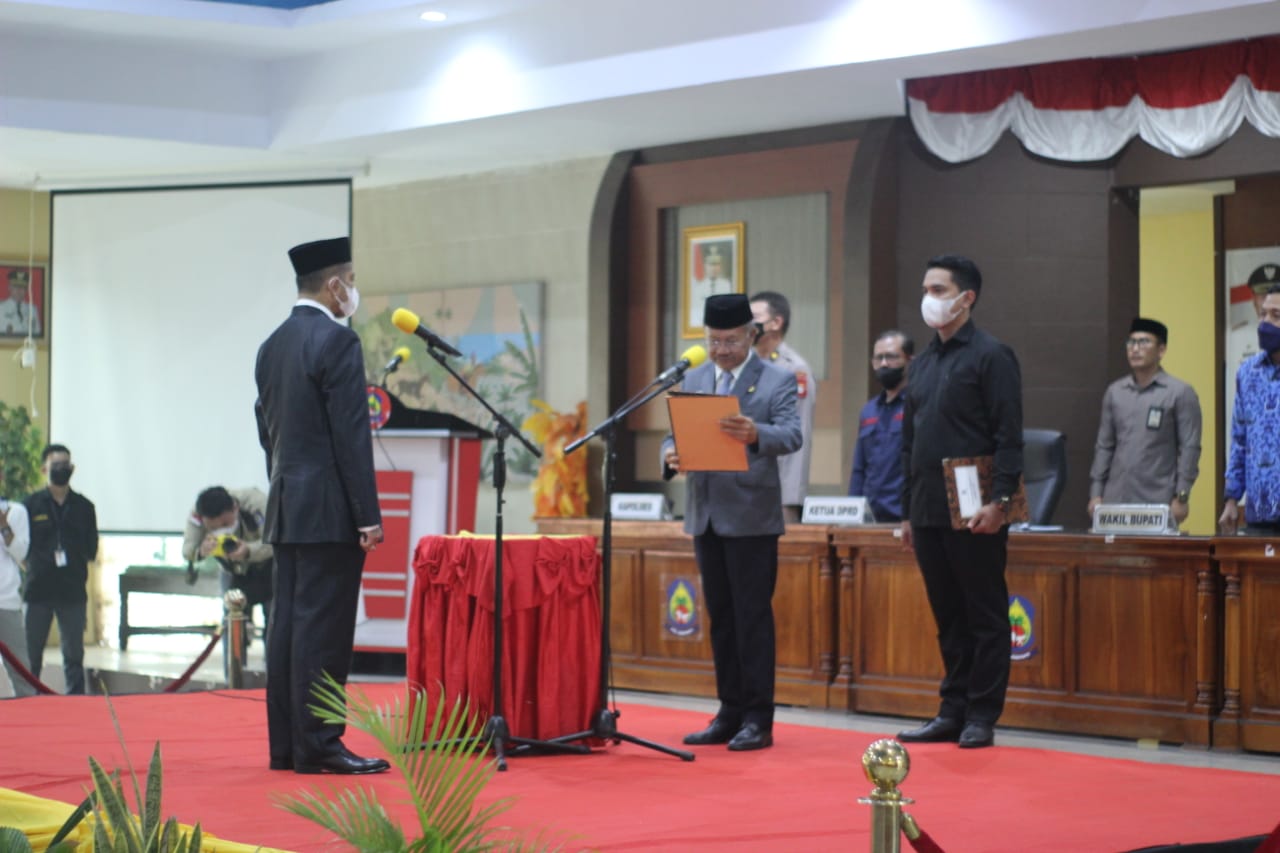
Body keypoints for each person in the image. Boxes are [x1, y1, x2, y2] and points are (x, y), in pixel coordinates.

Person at [254, 236, 388, 775]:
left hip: (287, 504)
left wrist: (287, 485)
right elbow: (351, 438)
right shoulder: (338, 342)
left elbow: (266, 432)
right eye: (350, 281)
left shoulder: (271, 345)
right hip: (331, 511)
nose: (352, 290)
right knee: (325, 634)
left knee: (287, 629)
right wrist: (367, 515)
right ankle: (322, 745)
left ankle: (287, 746)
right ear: (334, 286)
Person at [662, 293, 802, 752]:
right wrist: (670, 454)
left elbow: (792, 434)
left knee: (752, 618)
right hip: (705, 515)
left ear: (751, 335)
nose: (721, 350)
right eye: (714, 341)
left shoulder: (777, 379)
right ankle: (729, 711)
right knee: (721, 618)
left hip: (752, 518)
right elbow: (673, 433)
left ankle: (758, 718)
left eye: (731, 341)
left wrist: (756, 433)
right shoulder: (696, 377)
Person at [896, 255, 1022, 750]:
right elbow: (909, 444)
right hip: (928, 507)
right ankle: (951, 710)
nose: (928, 298)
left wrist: (1000, 501)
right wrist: (907, 512)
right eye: (925, 289)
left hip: (976, 507)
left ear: (966, 298)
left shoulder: (992, 355)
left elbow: (1009, 436)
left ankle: (982, 714)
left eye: (938, 289)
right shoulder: (923, 364)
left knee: (984, 615)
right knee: (948, 615)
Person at [1087, 318, 1202, 527]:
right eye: (1131, 342)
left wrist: (1182, 496)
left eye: (1144, 342)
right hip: (1115, 501)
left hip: (1158, 503)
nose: (1135, 349)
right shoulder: (1115, 392)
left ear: (1161, 350)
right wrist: (1096, 494)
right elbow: (1104, 446)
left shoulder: (1179, 393)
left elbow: (1190, 448)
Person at [23, 444, 99, 695]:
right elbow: (21, 548)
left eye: (66, 465)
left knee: (74, 655)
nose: (62, 469)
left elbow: (91, 548)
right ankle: (28, 702)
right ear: (44, 469)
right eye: (56, 465)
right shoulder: (30, 505)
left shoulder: (84, 507)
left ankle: (74, 704)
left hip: (72, 590)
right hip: (38, 590)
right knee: (31, 656)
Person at [181, 486, 274, 669]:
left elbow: (274, 542)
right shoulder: (198, 513)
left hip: (268, 567)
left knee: (275, 623)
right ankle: (232, 676)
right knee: (231, 626)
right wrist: (201, 551)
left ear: (235, 508)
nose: (222, 532)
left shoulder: (255, 503)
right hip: (232, 571)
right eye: (213, 528)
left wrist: (248, 550)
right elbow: (187, 551)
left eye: (225, 524)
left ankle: (275, 676)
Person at [751, 291, 816, 522]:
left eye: (754, 317)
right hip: (744, 489)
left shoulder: (794, 369)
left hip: (777, 491)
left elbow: (798, 437)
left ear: (775, 323)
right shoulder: (746, 365)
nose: (747, 324)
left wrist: (789, 499)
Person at [1221, 283, 1280, 535]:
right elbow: (1240, 440)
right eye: (1263, 314)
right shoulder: (1248, 372)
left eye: (1276, 315)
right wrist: (1231, 499)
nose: (1265, 323)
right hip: (1259, 513)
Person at [848, 330, 914, 523]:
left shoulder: (918, 405)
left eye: (891, 357)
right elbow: (859, 468)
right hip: (869, 515)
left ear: (910, 361)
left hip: (904, 515)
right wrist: (852, 509)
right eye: (878, 358)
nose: (884, 364)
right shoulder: (868, 410)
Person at [0, 490, 36, 698]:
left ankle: (29, 714)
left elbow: (21, 554)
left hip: (5, 601)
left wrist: (4, 526)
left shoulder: (16, 511)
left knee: (21, 673)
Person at [689, 246, 734, 329]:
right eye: (710, 265)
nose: (713, 268)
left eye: (716, 265)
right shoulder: (699, 288)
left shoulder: (727, 285)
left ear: (720, 267)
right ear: (705, 266)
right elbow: (696, 312)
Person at [0, 269, 41, 336]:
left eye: (22, 287)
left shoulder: (33, 310)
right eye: (15, 286)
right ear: (9, 288)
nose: (19, 290)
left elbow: (38, 335)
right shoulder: (1, 308)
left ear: (26, 289)